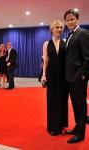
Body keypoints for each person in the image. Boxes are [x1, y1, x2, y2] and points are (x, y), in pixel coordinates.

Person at [64, 9, 89, 143]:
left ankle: (81, 134)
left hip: (79, 77)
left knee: (80, 105)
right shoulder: (70, 35)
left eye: (72, 19)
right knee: (75, 104)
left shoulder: (83, 33)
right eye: (67, 20)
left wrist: (83, 75)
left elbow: (87, 57)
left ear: (77, 19)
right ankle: (78, 127)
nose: (70, 22)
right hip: (70, 77)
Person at [41, 20, 68, 136]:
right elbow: (45, 62)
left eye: (61, 27)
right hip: (51, 76)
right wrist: (43, 76)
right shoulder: (46, 44)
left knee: (62, 100)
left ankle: (61, 125)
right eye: (57, 27)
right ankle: (52, 126)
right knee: (52, 100)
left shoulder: (65, 42)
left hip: (63, 76)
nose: (60, 29)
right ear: (52, 29)